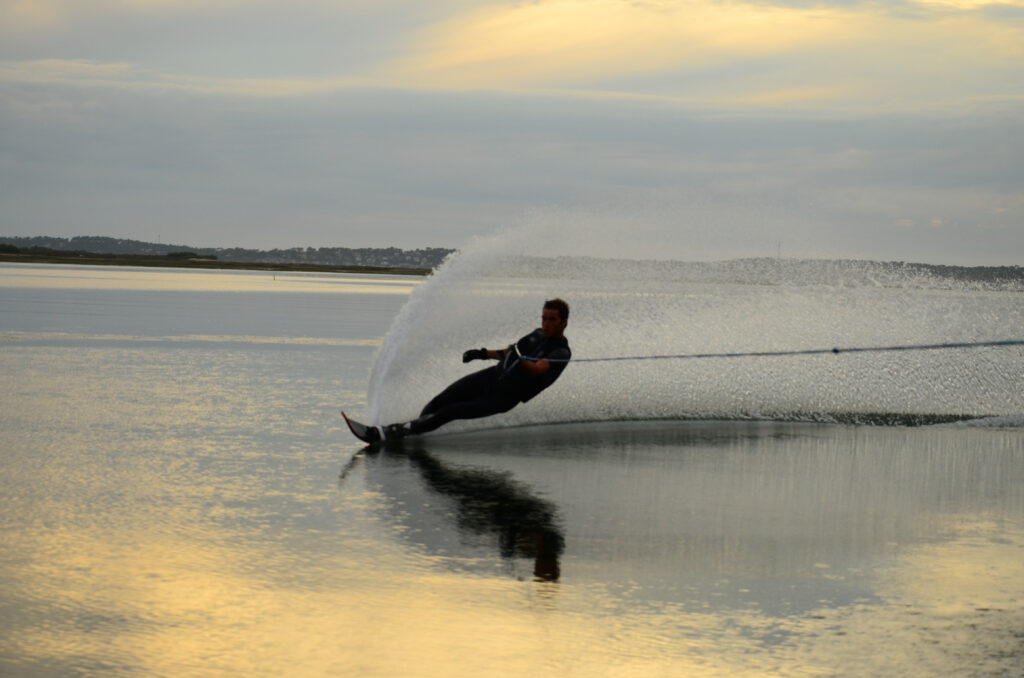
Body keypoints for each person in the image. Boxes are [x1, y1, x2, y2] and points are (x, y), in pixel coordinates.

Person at [372, 298, 571, 441]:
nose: (546, 324)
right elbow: (508, 353)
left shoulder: (561, 352)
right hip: (491, 377)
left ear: (564, 322)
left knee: (452, 411)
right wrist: (481, 354)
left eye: (552, 320)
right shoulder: (537, 334)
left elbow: (536, 369)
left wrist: (518, 358)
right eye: (544, 318)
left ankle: (394, 431)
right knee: (440, 401)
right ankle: (411, 430)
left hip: (505, 397)